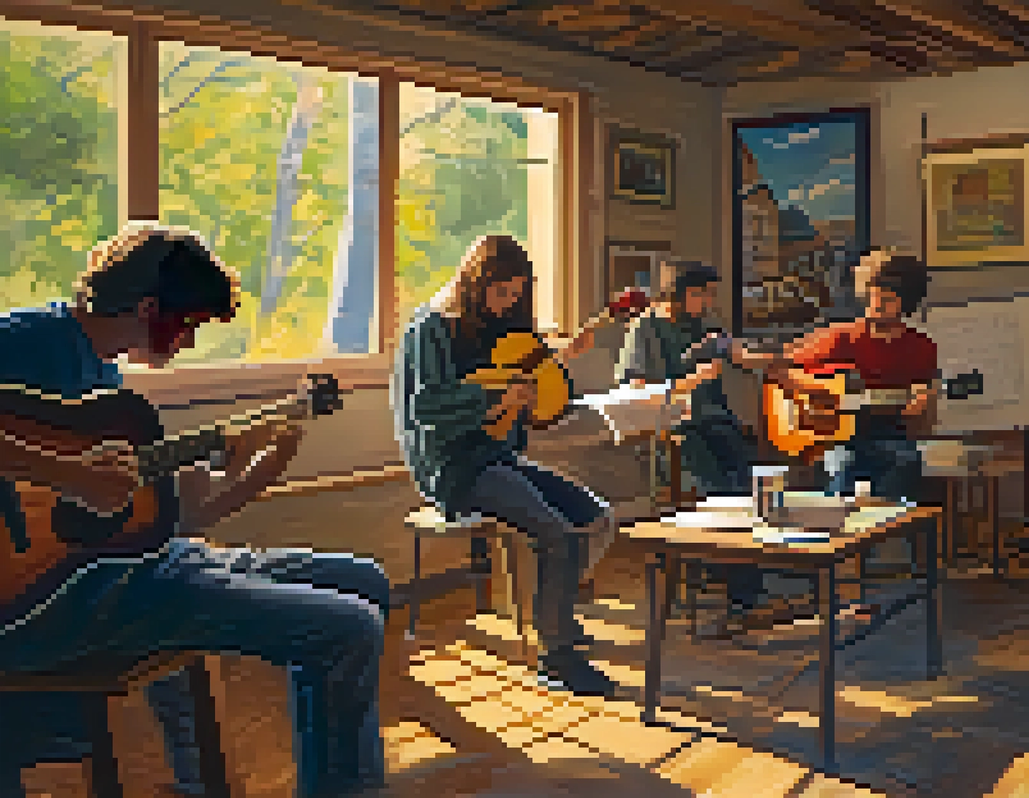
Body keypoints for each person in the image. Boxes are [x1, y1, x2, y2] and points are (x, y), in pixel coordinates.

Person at [0, 225, 389, 798]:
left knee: (365, 582)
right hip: (44, 603)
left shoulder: (106, 381)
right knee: (349, 628)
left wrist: (265, 462)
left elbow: (177, 522)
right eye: (185, 325)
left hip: (128, 569)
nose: (185, 341)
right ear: (148, 307)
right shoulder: (31, 340)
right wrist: (70, 474)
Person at [393, 234, 616, 697]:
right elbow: (425, 408)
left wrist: (551, 374)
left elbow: (532, 392)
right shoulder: (430, 328)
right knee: (554, 532)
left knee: (596, 517)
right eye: (500, 293)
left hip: (496, 457)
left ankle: (555, 616)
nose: (506, 304)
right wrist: (495, 397)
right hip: (453, 467)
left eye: (515, 294)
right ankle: (556, 657)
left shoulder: (501, 325)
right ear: (475, 283)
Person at [615, 260, 767, 628]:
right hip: (676, 431)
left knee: (755, 489)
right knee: (719, 494)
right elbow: (634, 390)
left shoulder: (707, 326)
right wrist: (689, 383)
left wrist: (777, 360)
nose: (708, 300)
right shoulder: (645, 329)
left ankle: (749, 580)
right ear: (677, 294)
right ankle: (742, 592)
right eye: (702, 293)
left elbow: (742, 355)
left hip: (718, 423)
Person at [741, 250, 938, 502]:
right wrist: (820, 392)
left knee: (905, 460)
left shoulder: (921, 347)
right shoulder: (842, 337)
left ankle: (888, 531)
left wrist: (921, 401)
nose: (875, 306)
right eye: (872, 298)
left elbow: (922, 398)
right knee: (844, 465)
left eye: (886, 300)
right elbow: (778, 368)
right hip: (837, 439)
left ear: (906, 303)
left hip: (889, 435)